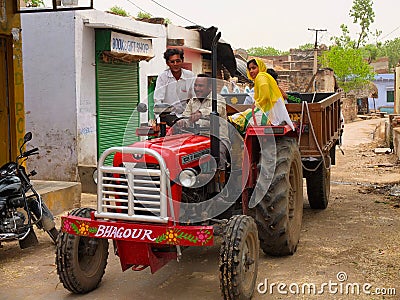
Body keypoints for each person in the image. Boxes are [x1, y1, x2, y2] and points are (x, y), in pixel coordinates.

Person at [177, 74, 229, 170]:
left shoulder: (218, 99)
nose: (197, 88)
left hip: (217, 138)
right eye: (195, 85)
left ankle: (220, 179)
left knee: (219, 152)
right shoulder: (192, 101)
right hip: (196, 139)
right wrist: (182, 122)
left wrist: (200, 113)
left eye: (200, 86)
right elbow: (186, 117)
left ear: (209, 87)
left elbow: (217, 109)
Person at [229, 58, 294, 134]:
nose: (251, 71)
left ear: (260, 67)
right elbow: (287, 97)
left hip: (269, 113)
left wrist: (256, 105)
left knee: (235, 120)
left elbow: (265, 97)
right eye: (249, 69)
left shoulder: (261, 77)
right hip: (273, 113)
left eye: (254, 68)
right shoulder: (265, 80)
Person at [154, 48, 195, 116]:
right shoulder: (163, 77)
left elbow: (194, 97)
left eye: (178, 61)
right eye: (172, 62)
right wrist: (159, 119)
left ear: (182, 60)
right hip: (168, 115)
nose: (175, 64)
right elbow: (158, 99)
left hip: (186, 116)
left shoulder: (190, 75)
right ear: (167, 63)